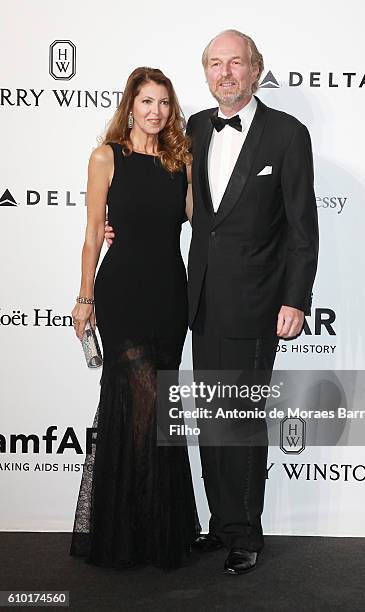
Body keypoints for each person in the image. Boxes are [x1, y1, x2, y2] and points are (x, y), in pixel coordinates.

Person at [106, 30, 319, 575]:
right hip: (195, 300)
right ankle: (220, 526)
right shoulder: (194, 128)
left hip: (257, 302)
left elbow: (302, 228)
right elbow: (154, 191)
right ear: (206, 73)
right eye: (216, 64)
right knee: (210, 417)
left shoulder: (288, 134)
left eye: (236, 63)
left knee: (241, 418)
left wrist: (295, 299)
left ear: (255, 69)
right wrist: (120, 226)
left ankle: (245, 533)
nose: (226, 73)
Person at [70, 66, 200, 570]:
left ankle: (154, 530)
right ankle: (129, 532)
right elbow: (90, 235)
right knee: (136, 403)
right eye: (146, 101)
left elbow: (200, 216)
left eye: (164, 103)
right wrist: (85, 299)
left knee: (159, 407)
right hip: (122, 291)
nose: (156, 112)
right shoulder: (106, 157)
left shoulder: (180, 159)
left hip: (170, 294)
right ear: (130, 104)